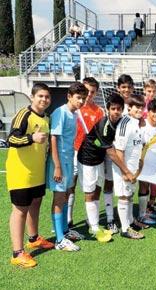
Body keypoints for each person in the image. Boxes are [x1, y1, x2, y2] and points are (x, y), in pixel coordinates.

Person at [7, 83, 54, 268]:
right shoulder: (24, 114)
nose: (44, 99)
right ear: (32, 96)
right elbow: (11, 138)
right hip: (21, 172)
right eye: (40, 96)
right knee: (20, 210)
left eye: (47, 97)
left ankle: (33, 238)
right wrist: (31, 138)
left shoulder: (46, 118)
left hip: (37, 172)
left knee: (36, 203)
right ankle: (17, 252)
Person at [77, 94, 136, 242]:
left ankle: (98, 222)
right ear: (108, 109)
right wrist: (126, 171)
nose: (116, 111)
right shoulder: (104, 125)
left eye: (119, 109)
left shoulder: (122, 121)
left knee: (98, 188)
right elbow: (111, 152)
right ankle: (95, 228)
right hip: (88, 158)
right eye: (113, 109)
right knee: (90, 192)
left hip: (100, 158)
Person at [47, 82, 87, 251]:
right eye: (78, 98)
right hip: (60, 162)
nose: (81, 101)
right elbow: (53, 139)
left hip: (69, 160)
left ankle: (65, 230)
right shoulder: (60, 112)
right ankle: (59, 240)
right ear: (69, 96)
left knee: (64, 196)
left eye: (83, 99)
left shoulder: (75, 115)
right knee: (58, 197)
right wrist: (57, 166)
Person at [68, 77, 105, 229]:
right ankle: (68, 218)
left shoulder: (100, 111)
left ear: (96, 93)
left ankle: (92, 219)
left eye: (92, 92)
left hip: (91, 156)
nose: (88, 95)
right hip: (74, 152)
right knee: (71, 185)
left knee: (94, 187)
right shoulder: (74, 109)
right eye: (86, 91)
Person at [102, 74, 136, 234]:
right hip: (112, 152)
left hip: (127, 154)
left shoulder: (134, 104)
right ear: (118, 88)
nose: (126, 90)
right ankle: (110, 219)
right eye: (123, 87)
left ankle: (129, 219)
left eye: (129, 87)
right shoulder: (111, 109)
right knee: (110, 183)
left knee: (127, 188)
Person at [113, 95, 146, 239]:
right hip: (124, 168)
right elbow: (118, 150)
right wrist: (124, 171)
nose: (139, 110)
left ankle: (131, 221)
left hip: (132, 168)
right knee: (124, 196)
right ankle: (125, 229)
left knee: (130, 194)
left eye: (141, 107)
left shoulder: (136, 122)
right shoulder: (125, 123)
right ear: (129, 108)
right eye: (136, 107)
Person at [136, 99, 156, 226]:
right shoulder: (142, 124)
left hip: (149, 161)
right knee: (142, 186)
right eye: (153, 112)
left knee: (145, 186)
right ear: (149, 111)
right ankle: (141, 216)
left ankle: (144, 211)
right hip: (140, 161)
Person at [141, 79, 156, 213]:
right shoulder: (140, 105)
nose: (151, 93)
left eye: (154, 91)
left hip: (155, 150)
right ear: (144, 90)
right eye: (149, 91)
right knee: (144, 182)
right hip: (142, 153)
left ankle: (151, 204)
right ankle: (142, 210)